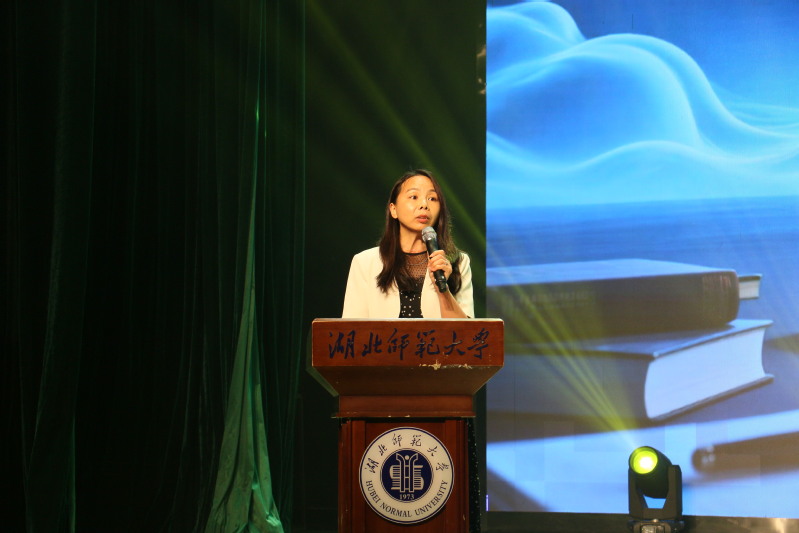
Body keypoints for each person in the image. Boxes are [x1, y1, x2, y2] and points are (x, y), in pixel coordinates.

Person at [342, 169, 473, 319]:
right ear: (394, 209)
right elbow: (351, 328)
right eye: (414, 197)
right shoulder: (365, 262)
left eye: (432, 199)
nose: (424, 205)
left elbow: (468, 331)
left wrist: (443, 290)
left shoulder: (457, 262)